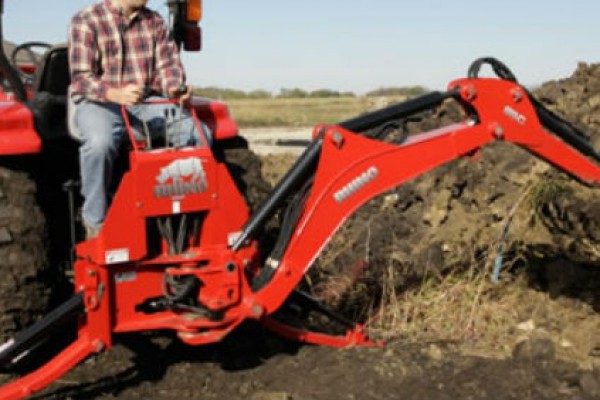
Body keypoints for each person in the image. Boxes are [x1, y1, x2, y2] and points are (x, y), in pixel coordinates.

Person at [68, 0, 207, 238]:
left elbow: (168, 67)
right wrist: (114, 93)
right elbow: (81, 78)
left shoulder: (154, 22)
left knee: (199, 135)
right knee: (100, 144)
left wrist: (175, 89)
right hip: (100, 101)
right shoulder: (87, 19)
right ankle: (95, 221)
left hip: (144, 102)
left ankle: (186, 214)